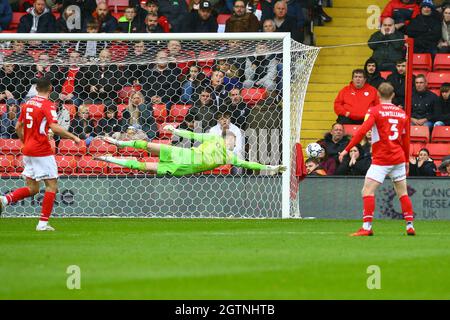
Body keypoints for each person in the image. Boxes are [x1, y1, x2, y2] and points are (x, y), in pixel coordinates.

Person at [0, 78, 81, 231]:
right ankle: (42, 224)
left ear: (36, 88)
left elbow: (18, 126)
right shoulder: (48, 105)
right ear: (50, 88)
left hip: (28, 150)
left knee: (32, 188)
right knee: (51, 186)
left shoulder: (27, 104)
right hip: (42, 150)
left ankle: (4, 200)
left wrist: (24, 142)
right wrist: (73, 137)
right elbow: (54, 127)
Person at [339, 82, 416, 236]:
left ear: (378, 95)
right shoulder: (402, 114)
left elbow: (361, 132)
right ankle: (409, 225)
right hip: (398, 157)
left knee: (367, 190)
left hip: (382, 158)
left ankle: (366, 227)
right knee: (402, 193)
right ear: (393, 95)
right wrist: (406, 160)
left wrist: (346, 149)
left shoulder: (375, 111)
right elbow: (406, 139)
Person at [94, 125, 286, 176]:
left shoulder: (230, 157)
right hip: (181, 154)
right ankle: (119, 144)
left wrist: (272, 168)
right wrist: (176, 131)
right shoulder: (212, 138)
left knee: (145, 167)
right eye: (230, 137)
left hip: (182, 168)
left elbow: (249, 164)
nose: (231, 140)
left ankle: (110, 159)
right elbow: (193, 136)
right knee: (149, 145)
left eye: (234, 140)